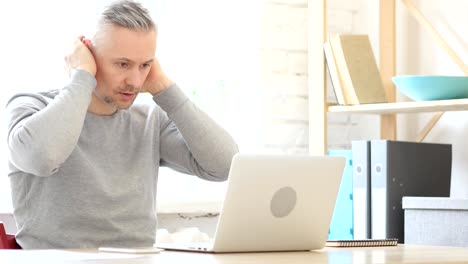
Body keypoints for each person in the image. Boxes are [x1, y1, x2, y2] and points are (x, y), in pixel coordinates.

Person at [4, 0, 238, 249]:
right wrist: (82, 77)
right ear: (89, 55)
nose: (135, 81)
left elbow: (224, 166)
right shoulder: (30, 106)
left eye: (145, 65)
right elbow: (42, 157)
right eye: (123, 64)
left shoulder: (150, 120)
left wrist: (164, 89)